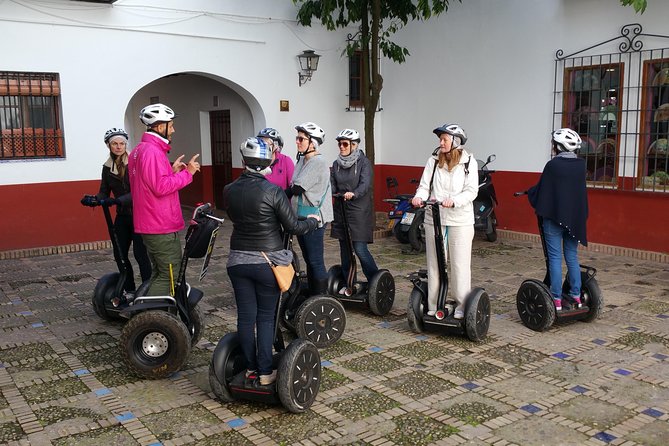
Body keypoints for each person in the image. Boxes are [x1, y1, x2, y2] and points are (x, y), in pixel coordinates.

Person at [224, 137, 319, 385]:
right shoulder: (273, 191)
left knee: (246, 318)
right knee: (266, 318)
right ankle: (265, 373)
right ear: (267, 162)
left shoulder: (229, 189)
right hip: (267, 263)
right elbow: (293, 226)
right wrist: (313, 222)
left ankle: (250, 369)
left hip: (237, 261)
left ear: (244, 161)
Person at [128, 103, 200, 296]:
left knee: (160, 272)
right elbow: (160, 187)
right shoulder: (152, 152)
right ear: (160, 127)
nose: (174, 129)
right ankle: (147, 318)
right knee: (169, 275)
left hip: (151, 222)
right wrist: (189, 173)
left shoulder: (140, 149)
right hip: (160, 224)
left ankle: (150, 314)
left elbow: (149, 183)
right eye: (171, 124)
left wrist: (172, 171)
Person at [411, 124, 478, 319]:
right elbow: (425, 186)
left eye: (444, 139)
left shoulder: (468, 162)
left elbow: (471, 190)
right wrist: (419, 197)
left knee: (459, 265)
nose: (441, 143)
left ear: (456, 141)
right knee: (435, 264)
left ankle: (461, 305)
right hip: (435, 219)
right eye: (440, 139)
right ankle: (434, 303)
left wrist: (455, 201)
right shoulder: (433, 161)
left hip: (460, 221)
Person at [527, 128, 588, 311]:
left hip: (554, 219)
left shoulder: (552, 165)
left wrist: (530, 192)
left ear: (558, 146)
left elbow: (543, 190)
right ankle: (577, 296)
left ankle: (556, 299)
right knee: (572, 256)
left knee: (554, 257)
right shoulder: (581, 165)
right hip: (574, 219)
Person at [96, 128, 151, 292]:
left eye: (122, 143)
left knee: (141, 255)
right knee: (120, 254)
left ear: (126, 145)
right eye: (114, 143)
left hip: (139, 215)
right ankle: (130, 289)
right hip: (122, 216)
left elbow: (138, 190)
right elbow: (104, 190)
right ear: (109, 146)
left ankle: (148, 288)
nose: (119, 147)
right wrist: (94, 199)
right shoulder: (107, 167)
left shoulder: (134, 164)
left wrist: (119, 200)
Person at [330, 128, 379, 294]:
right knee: (345, 251)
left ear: (354, 145)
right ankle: (349, 282)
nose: (341, 147)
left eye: (344, 144)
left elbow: (365, 184)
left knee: (359, 249)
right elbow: (332, 184)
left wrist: (354, 193)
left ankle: (375, 282)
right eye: (339, 144)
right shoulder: (336, 164)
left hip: (358, 212)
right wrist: (333, 191)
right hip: (341, 210)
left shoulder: (363, 162)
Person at [288, 122, 334, 296]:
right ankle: (313, 293)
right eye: (297, 138)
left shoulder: (318, 162)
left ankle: (321, 297)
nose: (297, 142)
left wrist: (274, 195)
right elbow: (294, 185)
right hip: (300, 216)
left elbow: (297, 188)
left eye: (301, 139)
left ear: (312, 142)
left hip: (314, 218)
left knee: (315, 260)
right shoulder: (302, 160)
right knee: (308, 258)